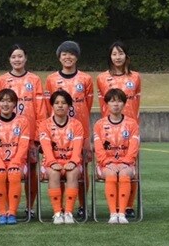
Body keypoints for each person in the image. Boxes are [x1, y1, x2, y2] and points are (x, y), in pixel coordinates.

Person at [0, 44, 46, 216]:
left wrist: (38, 134)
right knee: (8, 169)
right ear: (9, 59)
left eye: (20, 56)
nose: (17, 60)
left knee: (31, 170)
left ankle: (29, 206)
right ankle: (9, 207)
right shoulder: (2, 80)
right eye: (13, 57)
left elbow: (40, 109)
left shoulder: (34, 80)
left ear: (26, 58)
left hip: (29, 135)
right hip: (7, 136)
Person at [44, 40, 93, 218]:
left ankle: (82, 205)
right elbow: (48, 106)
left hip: (80, 131)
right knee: (59, 166)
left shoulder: (86, 79)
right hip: (58, 133)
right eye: (64, 54)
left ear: (77, 57)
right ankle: (62, 207)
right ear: (59, 57)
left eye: (71, 54)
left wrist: (84, 132)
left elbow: (87, 105)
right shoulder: (51, 79)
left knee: (81, 169)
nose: (68, 57)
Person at [96, 41, 142, 218]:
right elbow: (102, 105)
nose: (117, 57)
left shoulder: (135, 77)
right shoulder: (101, 78)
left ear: (126, 56)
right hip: (109, 129)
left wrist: (135, 126)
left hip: (130, 129)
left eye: (120, 53)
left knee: (130, 167)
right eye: (114, 54)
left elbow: (137, 103)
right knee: (111, 168)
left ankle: (128, 206)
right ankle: (114, 207)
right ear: (110, 56)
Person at [0, 89, 30, 225]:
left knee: (14, 173)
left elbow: (23, 146)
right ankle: (2, 213)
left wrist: (15, 162)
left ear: (15, 104)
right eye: (2, 101)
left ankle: (12, 213)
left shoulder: (23, 121)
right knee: (0, 173)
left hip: (18, 163)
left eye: (9, 101)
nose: (5, 104)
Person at [93, 88, 140, 224]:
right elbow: (98, 149)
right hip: (105, 165)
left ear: (124, 104)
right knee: (111, 174)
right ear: (106, 104)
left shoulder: (132, 124)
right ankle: (113, 213)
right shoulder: (99, 125)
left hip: (127, 164)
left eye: (119, 101)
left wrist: (126, 162)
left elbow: (134, 147)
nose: (116, 104)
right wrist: (107, 162)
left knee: (124, 173)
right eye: (112, 101)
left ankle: (122, 213)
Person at [39, 90, 84, 224]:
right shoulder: (44, 125)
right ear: (52, 105)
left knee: (73, 172)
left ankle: (68, 212)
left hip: (71, 162)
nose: (60, 105)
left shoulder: (77, 125)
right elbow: (46, 147)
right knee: (54, 173)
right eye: (57, 103)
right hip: (50, 163)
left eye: (64, 103)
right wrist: (52, 162)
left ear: (69, 106)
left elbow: (78, 147)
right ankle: (57, 212)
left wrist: (74, 161)